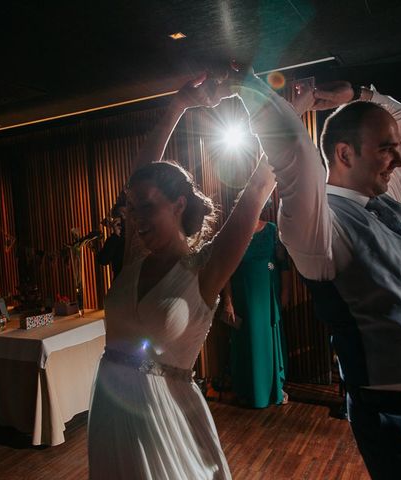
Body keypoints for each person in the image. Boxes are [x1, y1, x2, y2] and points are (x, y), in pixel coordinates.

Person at [242, 72, 401, 478]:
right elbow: (295, 159)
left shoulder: (388, 197)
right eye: (386, 149)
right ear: (344, 154)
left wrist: (357, 94)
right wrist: (245, 84)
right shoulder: (316, 224)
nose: (399, 159)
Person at [87, 72, 277, 479]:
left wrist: (256, 96)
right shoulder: (135, 255)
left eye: (147, 207)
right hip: (110, 411)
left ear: (177, 205)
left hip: (166, 420)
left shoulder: (205, 268)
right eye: (133, 208)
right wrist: (178, 105)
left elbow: (260, 185)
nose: (136, 218)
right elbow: (141, 175)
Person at [220, 200, 291, 408]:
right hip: (243, 296)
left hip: (268, 296)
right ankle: (247, 390)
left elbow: (284, 264)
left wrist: (286, 291)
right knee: (246, 341)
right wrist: (228, 301)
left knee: (268, 341)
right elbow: (225, 271)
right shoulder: (234, 232)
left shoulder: (271, 230)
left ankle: (272, 390)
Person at [96, 195, 127, 279]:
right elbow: (103, 260)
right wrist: (116, 236)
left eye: (126, 214)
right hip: (120, 284)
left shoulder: (142, 236)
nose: (124, 218)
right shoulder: (114, 239)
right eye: (120, 215)